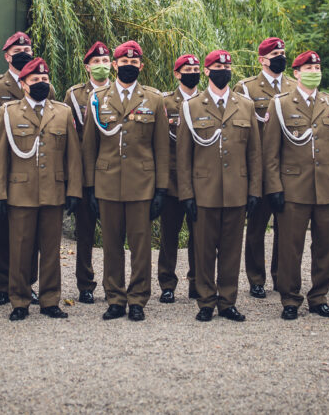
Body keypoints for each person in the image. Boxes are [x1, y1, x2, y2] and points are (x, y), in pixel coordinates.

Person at [82, 40, 170, 321]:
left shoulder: (154, 99)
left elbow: (161, 148)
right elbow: (89, 147)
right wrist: (89, 188)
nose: (129, 66)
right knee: (111, 245)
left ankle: (138, 299)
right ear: (115, 64)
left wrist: (161, 189)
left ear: (141, 66)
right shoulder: (97, 99)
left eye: (135, 63)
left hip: (141, 184)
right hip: (106, 183)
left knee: (140, 246)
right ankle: (115, 298)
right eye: (124, 62)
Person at [0, 57, 83, 320]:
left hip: (53, 192)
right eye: (35, 80)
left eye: (44, 79)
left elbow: (73, 156)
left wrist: (74, 191)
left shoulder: (63, 112)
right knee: (20, 248)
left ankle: (50, 300)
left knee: (51, 250)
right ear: (23, 83)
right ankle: (19, 300)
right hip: (21, 193)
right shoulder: (9, 112)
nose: (41, 83)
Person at [263, 50, 329, 320]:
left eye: (317, 67)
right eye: (308, 68)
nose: (314, 71)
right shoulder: (280, 104)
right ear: (296, 73)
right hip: (293, 188)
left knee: (325, 246)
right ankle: (290, 299)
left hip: (326, 187)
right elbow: (271, 153)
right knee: (291, 247)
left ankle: (319, 297)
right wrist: (274, 188)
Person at [177, 50, 262, 322]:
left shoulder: (245, 105)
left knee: (231, 250)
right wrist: (187, 194)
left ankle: (228, 302)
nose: (223, 70)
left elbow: (255, 153)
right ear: (206, 71)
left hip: (237, 190)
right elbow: (183, 156)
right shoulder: (191, 106)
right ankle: (205, 302)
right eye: (217, 66)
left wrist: (254, 191)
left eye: (227, 66)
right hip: (204, 191)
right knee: (203, 250)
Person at [0, 31, 39, 307]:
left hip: (32, 171)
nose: (24, 53)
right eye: (18, 51)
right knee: (1, 229)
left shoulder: (42, 85)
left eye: (27, 49)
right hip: (2, 169)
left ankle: (28, 283)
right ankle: (3, 286)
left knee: (32, 232)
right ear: (7, 56)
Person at [237, 36, 295, 299]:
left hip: (289, 168)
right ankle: (256, 278)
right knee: (257, 227)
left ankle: (281, 277)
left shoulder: (294, 86)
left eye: (283, 52)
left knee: (286, 228)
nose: (280, 57)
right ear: (262, 59)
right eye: (275, 54)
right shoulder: (246, 88)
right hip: (259, 169)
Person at [63, 41, 112, 304]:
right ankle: (85, 284)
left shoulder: (118, 93)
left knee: (113, 234)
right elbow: (66, 136)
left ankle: (112, 283)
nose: (101, 66)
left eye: (105, 61)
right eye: (96, 62)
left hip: (111, 173)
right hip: (83, 174)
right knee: (84, 233)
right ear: (87, 67)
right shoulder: (73, 96)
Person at [157, 54, 201, 303]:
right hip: (172, 182)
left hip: (199, 182)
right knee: (169, 235)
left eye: (196, 68)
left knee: (199, 236)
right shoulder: (165, 103)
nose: (192, 72)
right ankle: (167, 284)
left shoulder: (207, 101)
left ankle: (196, 282)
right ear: (177, 73)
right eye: (188, 69)